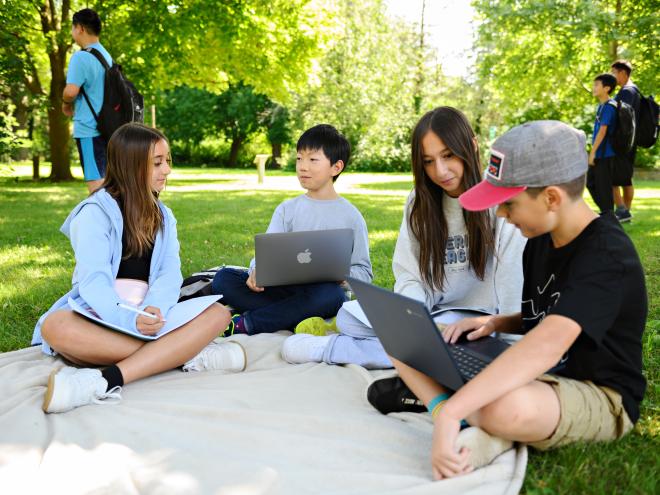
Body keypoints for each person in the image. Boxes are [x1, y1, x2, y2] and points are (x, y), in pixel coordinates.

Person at [389, 120, 646, 479]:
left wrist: (450, 414)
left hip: (598, 392)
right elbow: (536, 318)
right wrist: (494, 323)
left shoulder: (607, 255)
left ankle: (464, 416)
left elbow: (549, 343)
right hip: (542, 373)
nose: (500, 215)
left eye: (508, 204)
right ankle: (455, 408)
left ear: (551, 198)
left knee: (500, 408)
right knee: (401, 338)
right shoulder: (541, 237)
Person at [282, 107, 525, 370]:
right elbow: (410, 275)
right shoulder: (419, 203)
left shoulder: (498, 203)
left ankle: (335, 349)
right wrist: (413, 320)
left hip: (479, 321)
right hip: (429, 314)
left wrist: (510, 343)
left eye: (448, 155)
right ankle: (418, 346)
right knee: (348, 317)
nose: (440, 170)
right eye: (428, 161)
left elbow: (513, 282)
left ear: (472, 147)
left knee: (454, 345)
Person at [33, 123, 245, 414]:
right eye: (157, 163)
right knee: (55, 326)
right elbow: (93, 281)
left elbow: (169, 273)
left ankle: (106, 378)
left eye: (167, 161)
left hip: (154, 317)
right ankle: (185, 354)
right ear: (131, 165)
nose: (167, 170)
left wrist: (155, 307)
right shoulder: (94, 214)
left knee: (219, 314)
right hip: (103, 315)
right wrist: (128, 319)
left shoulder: (164, 216)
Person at [212, 124, 373, 335]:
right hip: (282, 290)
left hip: (322, 292)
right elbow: (266, 254)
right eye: (299, 158)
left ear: (336, 167)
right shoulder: (287, 209)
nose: (302, 167)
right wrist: (256, 270)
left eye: (312, 160)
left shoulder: (351, 217)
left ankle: (248, 324)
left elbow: (364, 274)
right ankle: (294, 318)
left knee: (334, 297)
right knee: (223, 279)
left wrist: (343, 277)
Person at [62, 8, 112, 193]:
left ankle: (107, 222)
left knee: (96, 187)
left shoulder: (81, 57)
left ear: (80, 28)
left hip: (89, 128)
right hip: (108, 128)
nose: (73, 32)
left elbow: (70, 92)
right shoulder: (106, 56)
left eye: (73, 28)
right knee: (109, 185)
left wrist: (65, 103)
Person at [610, 60, 641, 222]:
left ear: (623, 73)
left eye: (614, 72)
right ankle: (625, 213)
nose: (612, 76)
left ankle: (622, 211)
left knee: (613, 177)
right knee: (626, 178)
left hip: (622, 141)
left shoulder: (626, 92)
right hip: (630, 141)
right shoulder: (634, 90)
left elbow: (622, 117)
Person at [586, 73, 618, 214]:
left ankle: (608, 214)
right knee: (591, 183)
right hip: (600, 153)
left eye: (597, 85)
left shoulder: (609, 107)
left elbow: (603, 131)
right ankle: (606, 212)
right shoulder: (602, 106)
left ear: (607, 88)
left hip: (605, 154)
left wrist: (593, 153)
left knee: (603, 187)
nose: (594, 88)